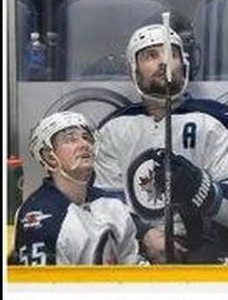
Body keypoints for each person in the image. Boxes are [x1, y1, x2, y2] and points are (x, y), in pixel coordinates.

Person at [94, 24, 228, 264]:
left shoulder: (221, 120)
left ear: (184, 64)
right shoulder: (113, 128)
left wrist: (200, 188)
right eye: (151, 56)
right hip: (136, 252)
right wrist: (144, 234)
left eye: (171, 54)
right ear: (133, 70)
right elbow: (102, 205)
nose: (163, 62)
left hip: (212, 251)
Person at [14, 111, 142, 266]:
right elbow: (42, 281)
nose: (85, 144)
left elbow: (131, 264)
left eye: (86, 138)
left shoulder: (113, 205)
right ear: (49, 157)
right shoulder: (39, 216)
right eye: (71, 139)